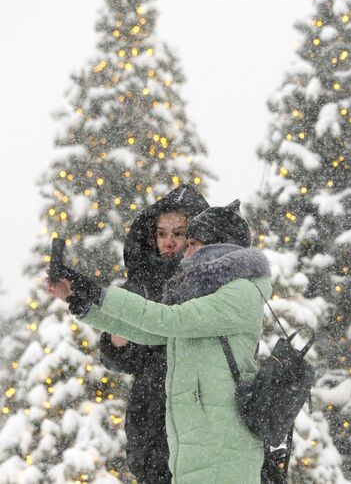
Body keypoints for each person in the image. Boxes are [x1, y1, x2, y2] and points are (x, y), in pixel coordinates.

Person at [48, 200, 271, 484]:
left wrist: (93, 288)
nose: (183, 252)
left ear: (217, 248)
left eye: (190, 243)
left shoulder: (239, 294)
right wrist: (79, 302)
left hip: (222, 447)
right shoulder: (207, 297)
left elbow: (165, 320)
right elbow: (148, 334)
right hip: (197, 448)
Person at [98, 185, 209, 484]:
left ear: (196, 235)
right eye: (162, 233)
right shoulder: (140, 284)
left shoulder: (214, 281)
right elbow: (115, 355)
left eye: (178, 233)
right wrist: (116, 342)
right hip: (151, 416)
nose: (169, 242)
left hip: (203, 413)